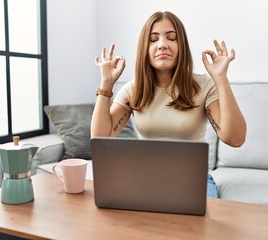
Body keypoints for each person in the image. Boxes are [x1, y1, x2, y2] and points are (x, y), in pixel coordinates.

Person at [91, 11, 247, 198]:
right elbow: (100, 139)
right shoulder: (133, 89)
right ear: (144, 49)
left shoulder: (204, 85)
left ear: (181, 45)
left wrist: (221, 78)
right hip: (146, 178)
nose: (162, 44)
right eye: (153, 39)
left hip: (194, 180)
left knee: (196, 225)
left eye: (171, 38)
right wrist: (106, 83)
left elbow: (235, 138)